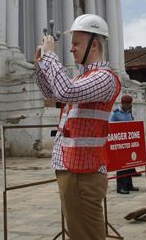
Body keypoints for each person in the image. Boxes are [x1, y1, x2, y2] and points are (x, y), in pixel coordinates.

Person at [35, 14, 120, 240]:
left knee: (86, 236)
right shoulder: (85, 78)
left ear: (94, 44)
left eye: (76, 44)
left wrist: (51, 55)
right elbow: (52, 94)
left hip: (83, 173)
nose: (71, 49)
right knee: (79, 234)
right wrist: (41, 65)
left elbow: (65, 92)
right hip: (72, 169)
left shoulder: (105, 77)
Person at [109, 94, 139, 194]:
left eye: (130, 104)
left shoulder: (129, 113)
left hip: (129, 144)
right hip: (120, 144)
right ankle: (121, 187)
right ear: (122, 103)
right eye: (127, 104)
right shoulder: (115, 114)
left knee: (129, 165)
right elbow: (111, 128)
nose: (129, 106)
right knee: (121, 167)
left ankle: (129, 185)